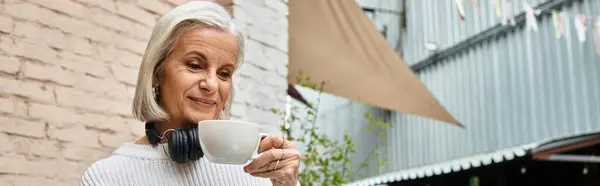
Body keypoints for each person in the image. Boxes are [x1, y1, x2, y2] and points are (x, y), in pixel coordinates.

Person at [79, 1, 301, 186]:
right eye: (195, 65)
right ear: (157, 72)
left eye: (224, 73)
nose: (212, 85)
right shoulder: (106, 177)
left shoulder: (258, 171)